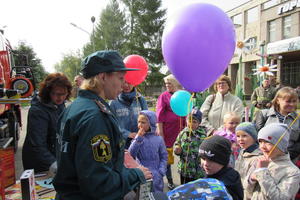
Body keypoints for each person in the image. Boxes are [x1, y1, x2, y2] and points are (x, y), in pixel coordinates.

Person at [53, 50, 152, 200]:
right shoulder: (95, 117)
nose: (123, 84)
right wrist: (136, 174)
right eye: (120, 78)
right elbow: (100, 185)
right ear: (103, 76)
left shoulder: (75, 107)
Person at [22, 73, 72, 173]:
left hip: (53, 156)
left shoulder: (59, 104)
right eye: (56, 94)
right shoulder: (38, 111)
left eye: (64, 94)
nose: (60, 98)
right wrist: (53, 163)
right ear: (48, 92)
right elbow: (37, 144)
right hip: (38, 162)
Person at [246, 123, 300, 199]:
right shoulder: (258, 161)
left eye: (268, 142)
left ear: (282, 144)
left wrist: (262, 172)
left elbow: (280, 198)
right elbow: (246, 192)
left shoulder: (293, 172)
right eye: (260, 142)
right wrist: (251, 179)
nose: (262, 146)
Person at [254, 86, 300, 162]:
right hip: (266, 159)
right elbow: (256, 137)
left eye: (294, 101)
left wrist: (288, 155)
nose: (291, 104)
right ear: (278, 100)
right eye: (288, 101)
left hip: (289, 161)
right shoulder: (264, 115)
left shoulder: (298, 119)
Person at [156, 74, 185, 190]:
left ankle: (184, 179)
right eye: (166, 84)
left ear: (176, 84)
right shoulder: (163, 96)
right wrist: (160, 131)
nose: (167, 85)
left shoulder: (182, 94)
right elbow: (159, 115)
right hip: (167, 131)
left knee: (183, 154)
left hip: (181, 130)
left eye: (169, 83)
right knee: (167, 157)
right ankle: (170, 180)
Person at [128, 110, 168, 192]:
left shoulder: (158, 139)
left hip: (157, 176)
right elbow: (131, 154)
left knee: (156, 195)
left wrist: (161, 171)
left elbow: (164, 156)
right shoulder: (137, 138)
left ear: (151, 123)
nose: (140, 125)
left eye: (143, 122)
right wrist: (138, 139)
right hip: (142, 175)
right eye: (138, 122)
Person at [199, 135, 244, 200]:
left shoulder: (229, 181)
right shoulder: (211, 172)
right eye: (203, 158)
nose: (206, 164)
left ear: (222, 161)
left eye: (211, 160)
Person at [109, 81, 148, 149]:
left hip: (140, 142)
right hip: (122, 145)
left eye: (129, 82)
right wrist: (127, 134)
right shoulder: (113, 102)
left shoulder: (141, 100)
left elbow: (148, 119)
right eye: (124, 82)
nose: (126, 85)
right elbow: (111, 123)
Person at [174, 108, 206, 184]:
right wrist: (177, 149)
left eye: (194, 122)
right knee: (185, 189)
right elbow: (177, 143)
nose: (191, 124)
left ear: (199, 123)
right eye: (190, 121)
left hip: (198, 170)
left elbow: (206, 148)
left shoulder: (203, 134)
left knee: (196, 190)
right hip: (185, 169)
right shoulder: (183, 133)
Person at [234, 122, 261, 200]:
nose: (240, 139)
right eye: (238, 136)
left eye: (244, 136)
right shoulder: (242, 151)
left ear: (254, 137)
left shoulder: (257, 157)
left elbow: (252, 184)